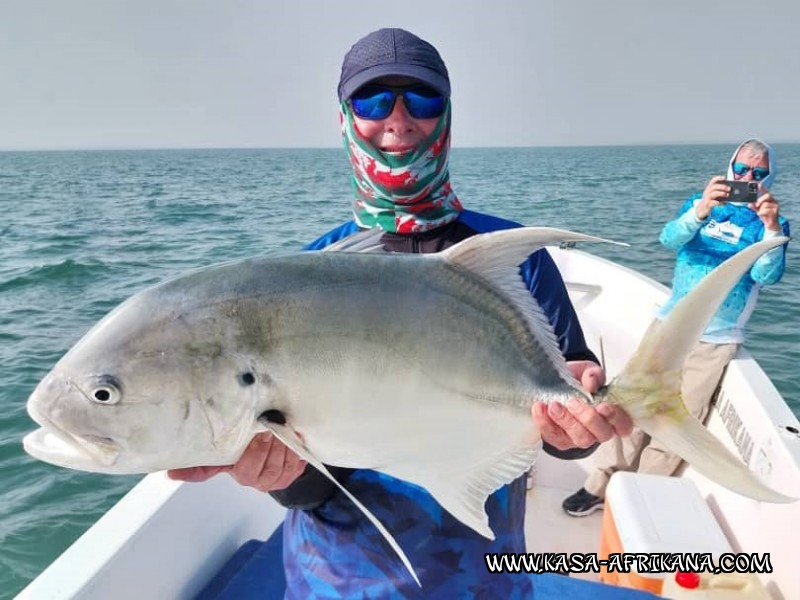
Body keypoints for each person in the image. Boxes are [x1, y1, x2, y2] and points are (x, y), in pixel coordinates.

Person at [170, 28, 633, 597]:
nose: (397, 120)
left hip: (483, 573)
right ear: (344, 118)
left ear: (446, 115)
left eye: (421, 99)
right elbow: (310, 479)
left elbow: (570, 417)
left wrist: (582, 422)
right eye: (371, 101)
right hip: (341, 580)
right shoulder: (311, 271)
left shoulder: (510, 257)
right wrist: (282, 479)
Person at [562, 138, 790, 517]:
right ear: (730, 167)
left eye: (759, 172)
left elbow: (767, 275)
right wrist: (701, 209)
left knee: (674, 421)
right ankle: (600, 483)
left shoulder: (774, 223)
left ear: (770, 177)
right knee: (625, 404)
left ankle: (638, 498)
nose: (748, 177)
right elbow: (670, 238)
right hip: (668, 327)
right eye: (742, 169)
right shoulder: (701, 206)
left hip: (715, 341)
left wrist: (769, 228)